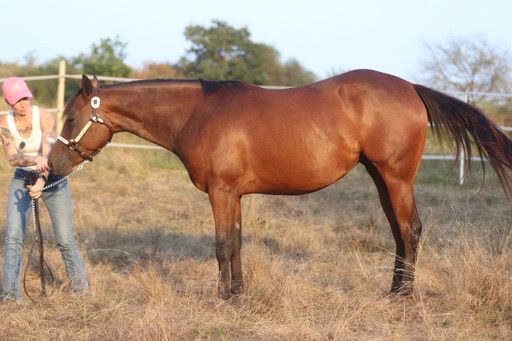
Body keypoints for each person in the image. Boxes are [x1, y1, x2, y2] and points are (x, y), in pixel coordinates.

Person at [0, 77, 88, 301]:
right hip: (22, 178)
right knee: (12, 237)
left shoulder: (45, 117)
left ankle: (81, 291)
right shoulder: (3, 124)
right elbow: (12, 158)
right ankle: (10, 295)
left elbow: (49, 152)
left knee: (65, 238)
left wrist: (41, 181)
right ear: (9, 102)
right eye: (17, 99)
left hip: (52, 178)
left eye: (25, 97)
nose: (23, 103)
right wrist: (34, 161)